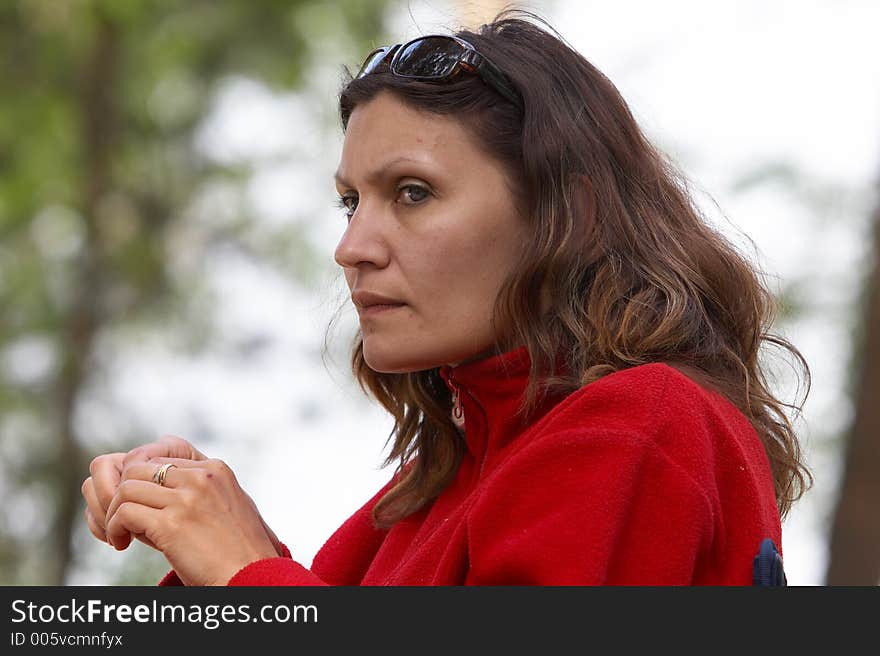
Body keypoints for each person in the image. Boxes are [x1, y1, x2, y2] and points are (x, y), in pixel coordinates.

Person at [80, 11, 811, 586]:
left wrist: (244, 571)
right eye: (349, 203)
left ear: (569, 213)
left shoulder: (641, 423)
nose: (352, 247)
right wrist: (197, 523)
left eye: (413, 193)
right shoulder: (433, 486)